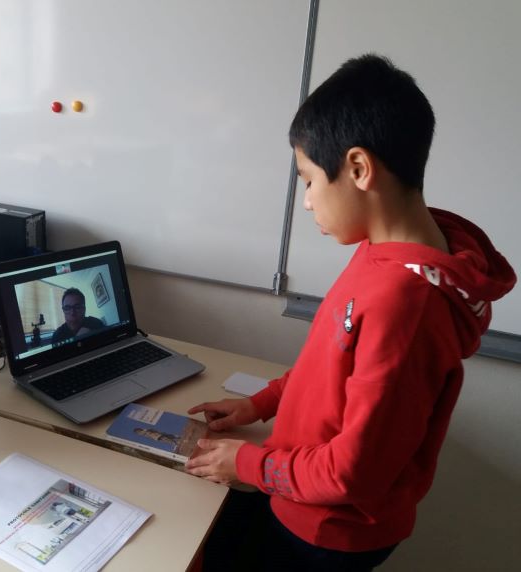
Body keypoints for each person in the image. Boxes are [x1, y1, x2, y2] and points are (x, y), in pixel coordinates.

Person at [185, 54, 516, 571]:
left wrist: (248, 464)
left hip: (329, 529)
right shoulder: (386, 249)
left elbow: (352, 474)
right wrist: (261, 404)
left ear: (359, 169)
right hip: (298, 489)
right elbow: (328, 367)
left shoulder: (406, 304)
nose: (307, 201)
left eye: (309, 180)